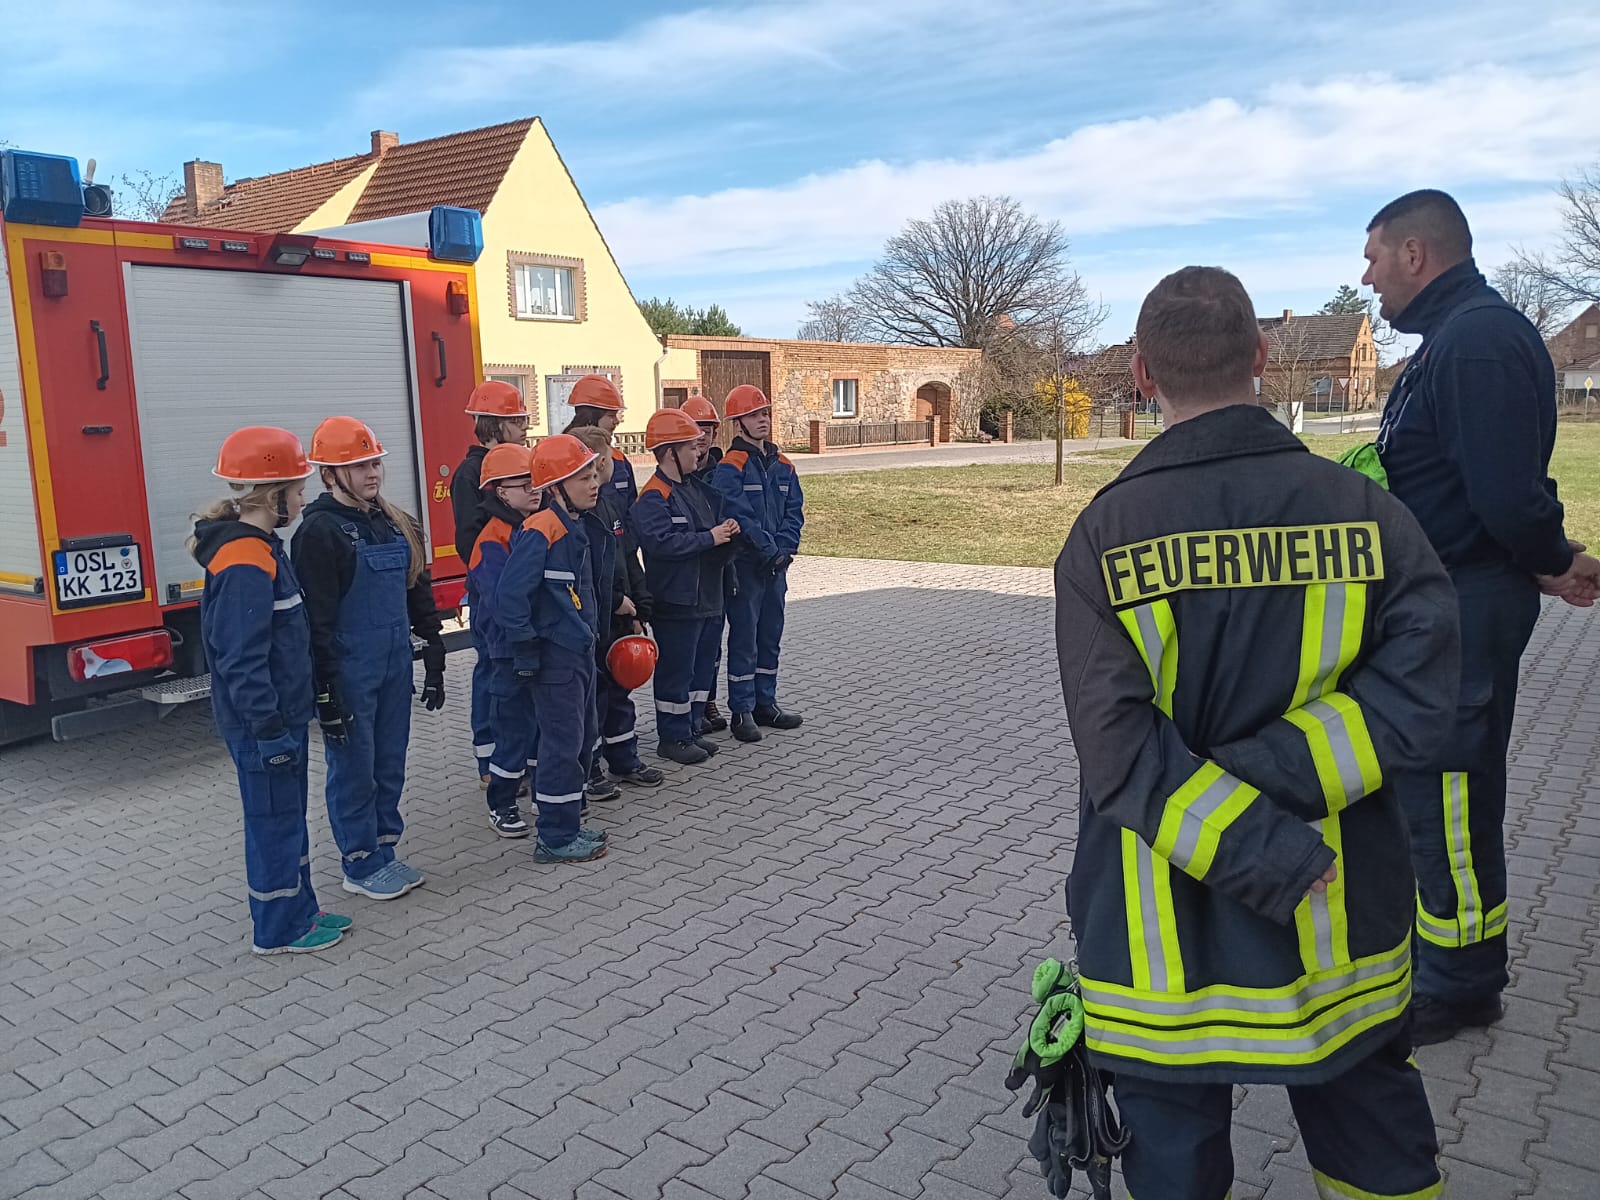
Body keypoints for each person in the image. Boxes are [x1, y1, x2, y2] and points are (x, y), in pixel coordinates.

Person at [1055, 266, 1462, 1199]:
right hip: (1339, 917)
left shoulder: (1104, 537)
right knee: (1377, 1152)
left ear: (1141, 373)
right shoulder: (1369, 514)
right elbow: (1425, 689)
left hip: (1160, 936)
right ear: (1264, 357)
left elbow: (1118, 754)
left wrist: (1245, 822)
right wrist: (1281, 795)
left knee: (1172, 1162)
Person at [1361, 190, 1600, 1043]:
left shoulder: (1479, 342)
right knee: (1432, 790)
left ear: (1415, 255)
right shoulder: (1454, 340)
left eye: (1374, 258)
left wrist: (1549, 557)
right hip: (1447, 598)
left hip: (1463, 604)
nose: (1367, 278)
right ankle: (1443, 959)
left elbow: (1505, 493)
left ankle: (1462, 986)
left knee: (1451, 796)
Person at [192, 427, 350, 954]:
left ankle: (300, 909)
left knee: (288, 818)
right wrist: (267, 728)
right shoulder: (244, 560)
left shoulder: (261, 548)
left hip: (281, 717)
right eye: (298, 491)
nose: (303, 500)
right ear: (272, 496)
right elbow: (241, 657)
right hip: (264, 725)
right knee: (273, 822)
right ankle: (278, 930)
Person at [293, 416, 446, 900]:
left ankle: (384, 849)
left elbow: (417, 589)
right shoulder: (319, 533)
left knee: (389, 762)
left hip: (394, 665)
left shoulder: (393, 522)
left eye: (375, 463)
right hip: (350, 671)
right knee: (355, 769)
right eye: (359, 466)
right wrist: (325, 690)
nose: (372, 473)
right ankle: (358, 861)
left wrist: (434, 648)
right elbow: (316, 621)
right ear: (330, 475)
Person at [498, 434, 613, 863]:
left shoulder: (575, 526)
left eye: (593, 474)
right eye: (583, 477)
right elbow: (511, 597)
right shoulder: (541, 529)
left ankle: (567, 824)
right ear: (556, 486)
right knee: (561, 745)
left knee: (580, 739)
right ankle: (554, 837)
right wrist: (527, 652)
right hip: (555, 658)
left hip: (577, 651)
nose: (594, 483)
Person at [630, 409, 740, 765]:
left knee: (700, 670)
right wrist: (710, 538)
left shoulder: (696, 489)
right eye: (691, 446)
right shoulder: (653, 496)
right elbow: (661, 543)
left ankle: (691, 728)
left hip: (707, 595)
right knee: (676, 672)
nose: (699, 450)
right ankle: (672, 737)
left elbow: (715, 528)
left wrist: (728, 532)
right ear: (669, 452)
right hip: (676, 600)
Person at [570, 425, 664, 793]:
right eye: (608, 459)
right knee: (594, 699)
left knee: (620, 693)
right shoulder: (580, 517)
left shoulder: (609, 506)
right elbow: (589, 574)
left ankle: (624, 760)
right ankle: (591, 769)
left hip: (621, 617)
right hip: (598, 621)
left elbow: (627, 557)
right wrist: (616, 602)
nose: (611, 466)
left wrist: (640, 604)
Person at [711, 385, 805, 742]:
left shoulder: (785, 465)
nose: (762, 420)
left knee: (770, 636)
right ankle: (742, 710)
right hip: (746, 566)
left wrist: (784, 549)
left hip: (776, 567)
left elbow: (794, 511)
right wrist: (768, 550)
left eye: (765, 413)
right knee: (745, 638)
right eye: (753, 415)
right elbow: (738, 514)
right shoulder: (729, 467)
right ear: (739, 422)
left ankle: (766, 702)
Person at [453, 380, 531, 789]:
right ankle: (489, 760)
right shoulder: (471, 474)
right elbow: (471, 541)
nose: (525, 427)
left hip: (514, 592)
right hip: (491, 593)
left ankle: (516, 758)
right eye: (517, 421)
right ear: (494, 425)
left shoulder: (515, 462)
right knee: (492, 674)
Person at [467, 443, 542, 838]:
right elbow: (502, 603)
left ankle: (543, 795)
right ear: (501, 492)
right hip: (507, 651)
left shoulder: (535, 527)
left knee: (540, 728)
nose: (534, 489)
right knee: (512, 731)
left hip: (537, 645)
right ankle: (502, 805)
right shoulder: (492, 540)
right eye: (524, 484)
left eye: (536, 482)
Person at [682, 394, 730, 734]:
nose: (702, 437)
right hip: (687, 574)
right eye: (696, 430)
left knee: (712, 645)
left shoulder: (720, 472)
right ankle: (687, 711)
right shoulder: (676, 475)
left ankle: (707, 700)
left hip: (717, 570)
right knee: (689, 648)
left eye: (708, 430)